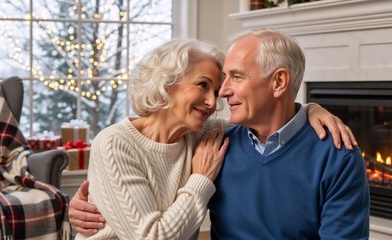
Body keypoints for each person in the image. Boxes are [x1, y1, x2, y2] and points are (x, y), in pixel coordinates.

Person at [69, 37, 359, 239]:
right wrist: (201, 179)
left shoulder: (206, 137)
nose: (216, 98)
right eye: (203, 85)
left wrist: (311, 108)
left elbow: (276, 118)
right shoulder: (117, 142)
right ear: (166, 83)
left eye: (227, 82)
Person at [208, 28, 370, 239]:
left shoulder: (339, 155)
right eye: (225, 77)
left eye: (237, 77)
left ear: (279, 82)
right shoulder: (215, 146)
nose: (223, 91)